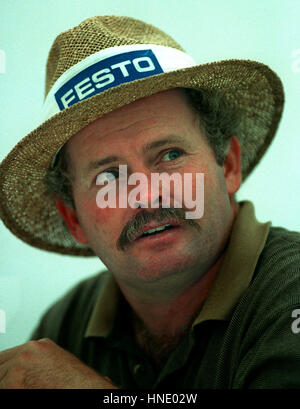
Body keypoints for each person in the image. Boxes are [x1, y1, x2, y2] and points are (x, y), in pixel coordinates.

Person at [0, 15, 299, 389]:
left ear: (228, 165)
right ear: (73, 219)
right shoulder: (66, 323)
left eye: (170, 155)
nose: (147, 193)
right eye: (108, 176)